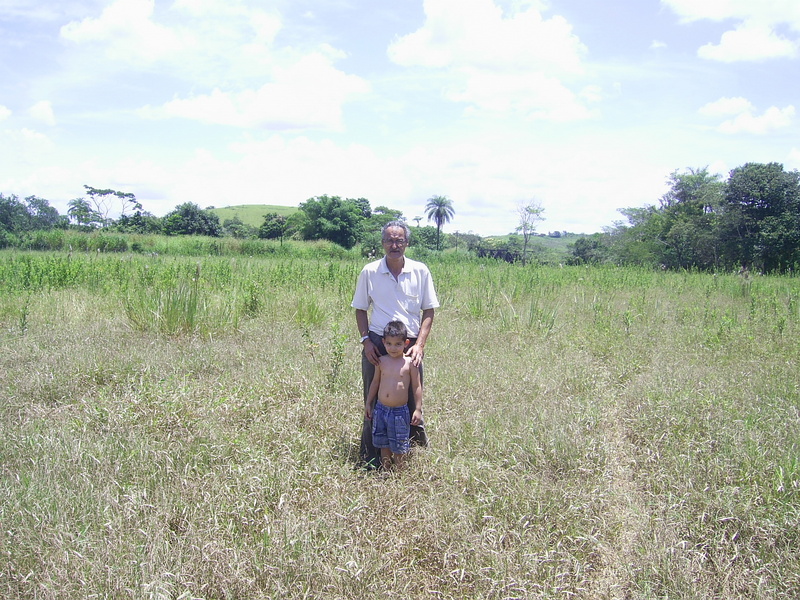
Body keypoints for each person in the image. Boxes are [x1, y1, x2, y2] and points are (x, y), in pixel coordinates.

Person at [352, 220, 439, 468]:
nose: (394, 245)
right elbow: (359, 309)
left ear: (407, 243)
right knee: (374, 401)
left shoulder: (420, 271)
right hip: (378, 342)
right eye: (390, 240)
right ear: (382, 243)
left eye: (399, 240)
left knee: (411, 399)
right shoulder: (370, 272)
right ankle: (371, 458)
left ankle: (411, 456)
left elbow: (429, 310)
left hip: (409, 345)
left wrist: (419, 345)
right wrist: (366, 341)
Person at [364, 321, 423, 470]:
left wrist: (417, 408)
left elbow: (416, 386)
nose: (393, 348)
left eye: (398, 344)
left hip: (400, 412)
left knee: (399, 445)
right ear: (383, 342)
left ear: (406, 343)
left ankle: (400, 473)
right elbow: (375, 383)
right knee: (383, 443)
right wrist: (369, 403)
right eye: (389, 343)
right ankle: (386, 470)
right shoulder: (381, 361)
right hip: (381, 410)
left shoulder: (409, 363)